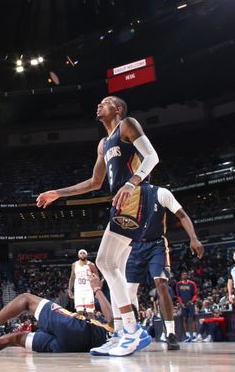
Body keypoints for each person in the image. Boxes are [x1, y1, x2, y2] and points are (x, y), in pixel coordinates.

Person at [37, 96, 157, 356]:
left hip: (136, 195)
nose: (99, 105)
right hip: (122, 202)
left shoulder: (127, 124)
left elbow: (152, 157)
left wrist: (131, 182)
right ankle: (126, 331)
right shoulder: (103, 144)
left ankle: (132, 331)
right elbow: (94, 182)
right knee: (117, 269)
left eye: (106, 102)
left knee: (104, 262)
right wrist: (58, 192)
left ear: (119, 108)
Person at [0, 272, 113, 354]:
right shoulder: (127, 339)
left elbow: (112, 319)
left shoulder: (124, 325)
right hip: (69, 347)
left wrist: (97, 289)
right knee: (11, 339)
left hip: (77, 331)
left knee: (26, 299)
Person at [125, 187, 204, 352]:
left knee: (162, 285)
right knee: (129, 290)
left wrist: (194, 238)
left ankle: (170, 334)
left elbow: (182, 214)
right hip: (135, 246)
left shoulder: (160, 193)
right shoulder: (126, 194)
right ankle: (132, 332)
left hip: (157, 245)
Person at [69, 249, 100, 314]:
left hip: (88, 290)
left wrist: (98, 290)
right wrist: (69, 290)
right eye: (81, 253)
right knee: (79, 312)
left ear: (86, 255)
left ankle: (92, 324)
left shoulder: (91, 265)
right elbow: (72, 278)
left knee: (90, 312)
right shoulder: (74, 265)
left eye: (84, 253)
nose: (82, 254)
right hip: (78, 291)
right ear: (78, 255)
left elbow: (97, 277)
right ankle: (80, 324)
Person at [176, 271, 200, 343]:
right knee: (184, 319)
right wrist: (181, 303)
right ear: (181, 276)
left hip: (190, 303)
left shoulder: (192, 284)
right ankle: (187, 336)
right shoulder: (178, 284)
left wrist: (192, 301)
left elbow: (195, 294)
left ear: (187, 276)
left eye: (185, 274)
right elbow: (178, 295)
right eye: (183, 274)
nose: (184, 275)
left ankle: (194, 335)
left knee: (192, 318)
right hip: (183, 304)